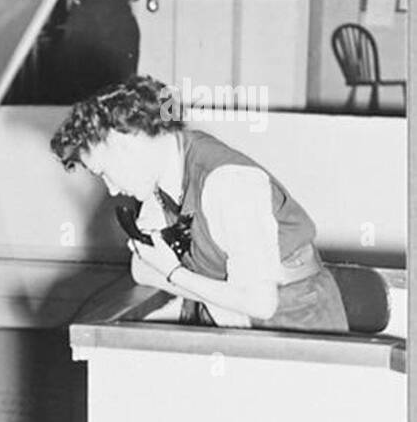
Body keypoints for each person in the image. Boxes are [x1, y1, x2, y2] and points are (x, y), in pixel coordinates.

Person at [51, 75, 349, 333]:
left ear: (125, 142)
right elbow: (140, 269)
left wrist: (175, 274)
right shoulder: (163, 173)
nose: (113, 190)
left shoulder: (227, 182)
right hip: (232, 316)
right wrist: (205, 287)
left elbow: (260, 303)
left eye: (105, 172)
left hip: (298, 318)